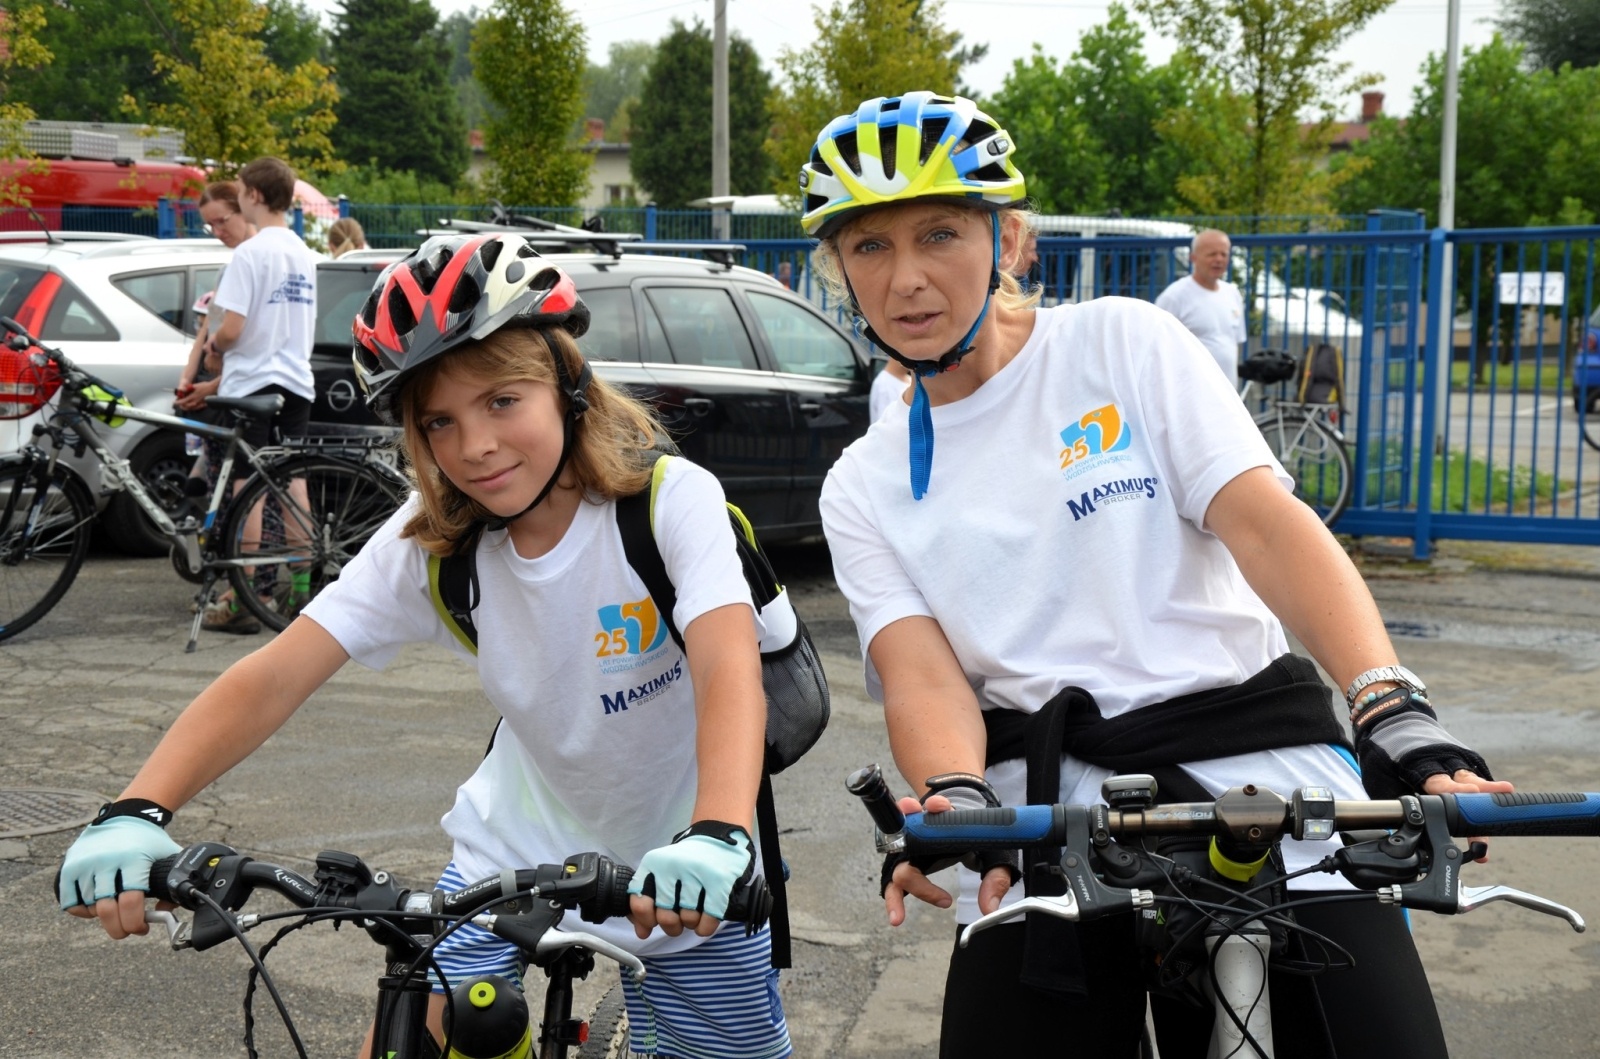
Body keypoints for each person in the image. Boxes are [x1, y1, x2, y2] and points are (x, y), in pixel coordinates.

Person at [803, 91, 1509, 1057]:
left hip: (1262, 776)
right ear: (839, 268)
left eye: (938, 233)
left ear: (1008, 238)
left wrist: (1391, 707)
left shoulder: (1121, 343)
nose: (907, 278)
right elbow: (922, 672)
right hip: (1046, 817)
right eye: (870, 247)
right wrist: (958, 794)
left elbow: (1265, 526)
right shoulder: (863, 481)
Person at [53, 232, 791, 1059]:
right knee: (404, 1040)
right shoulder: (434, 542)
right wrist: (134, 809)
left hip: (688, 867)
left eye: (502, 400)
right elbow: (273, 674)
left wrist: (720, 831)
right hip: (507, 864)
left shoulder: (667, 502)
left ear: (568, 384)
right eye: (439, 420)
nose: (474, 445)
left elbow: (729, 666)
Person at [198, 156, 320, 634]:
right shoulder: (302, 251)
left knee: (245, 488)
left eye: (243, 191)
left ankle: (246, 593)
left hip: (252, 383)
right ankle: (305, 589)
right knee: (294, 483)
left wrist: (214, 347)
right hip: (295, 380)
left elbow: (233, 327)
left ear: (256, 196)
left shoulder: (251, 254)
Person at [176, 181, 259, 500]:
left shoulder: (255, 262)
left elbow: (253, 343)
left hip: (236, 388)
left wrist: (213, 388)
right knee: (215, 482)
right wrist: (187, 375)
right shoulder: (229, 270)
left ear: (243, 211)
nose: (217, 231)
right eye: (210, 225)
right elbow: (208, 328)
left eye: (222, 221)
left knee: (238, 485)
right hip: (218, 388)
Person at [1155, 228, 1248, 389]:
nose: (1219, 259)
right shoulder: (1174, 297)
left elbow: (1232, 344)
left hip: (1227, 395)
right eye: (1212, 254)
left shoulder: (1232, 293)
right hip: (1191, 395)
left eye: (1224, 254)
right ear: (1193, 258)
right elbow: (1157, 348)